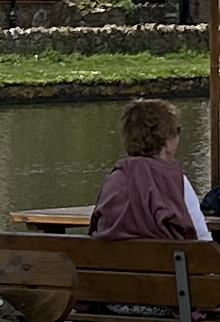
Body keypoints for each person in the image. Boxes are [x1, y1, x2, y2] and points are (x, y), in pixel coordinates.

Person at [90, 97, 210, 241]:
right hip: (170, 262)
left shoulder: (113, 179)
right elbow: (203, 239)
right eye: (176, 131)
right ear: (166, 138)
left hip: (112, 262)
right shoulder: (175, 181)